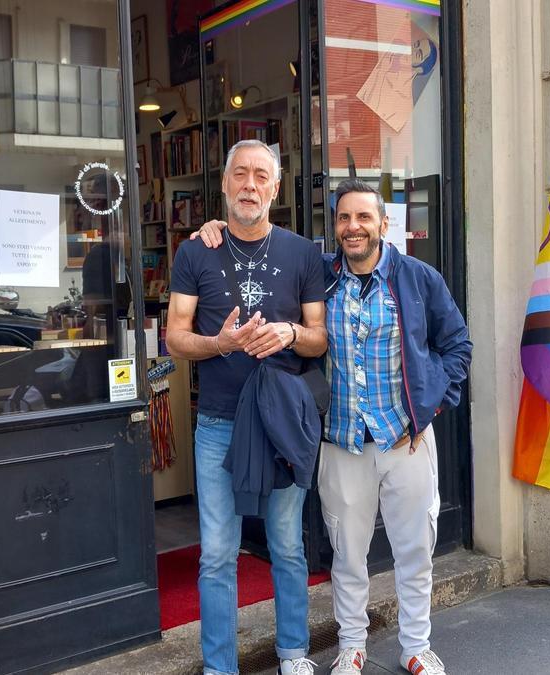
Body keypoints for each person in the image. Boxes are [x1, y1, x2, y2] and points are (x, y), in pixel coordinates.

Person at [193, 178, 472, 675]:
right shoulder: (318, 276)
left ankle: (415, 646)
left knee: (414, 550)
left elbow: (457, 346)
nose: (353, 227)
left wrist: (429, 407)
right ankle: (351, 646)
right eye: (344, 219)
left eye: (364, 217)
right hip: (342, 441)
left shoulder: (418, 278)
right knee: (347, 555)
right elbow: (257, 248)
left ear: (384, 224)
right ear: (334, 227)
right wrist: (219, 228)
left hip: (405, 440)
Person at [166, 139, 328, 675]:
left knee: (286, 545)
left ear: (276, 188)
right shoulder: (195, 252)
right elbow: (174, 339)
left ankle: (294, 655)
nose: (250, 185)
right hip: (217, 422)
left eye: (262, 175)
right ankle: (219, 668)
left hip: (281, 423)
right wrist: (221, 344)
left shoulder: (303, 252)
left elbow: (320, 339)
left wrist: (289, 332)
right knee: (216, 555)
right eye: (241, 174)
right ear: (225, 183)